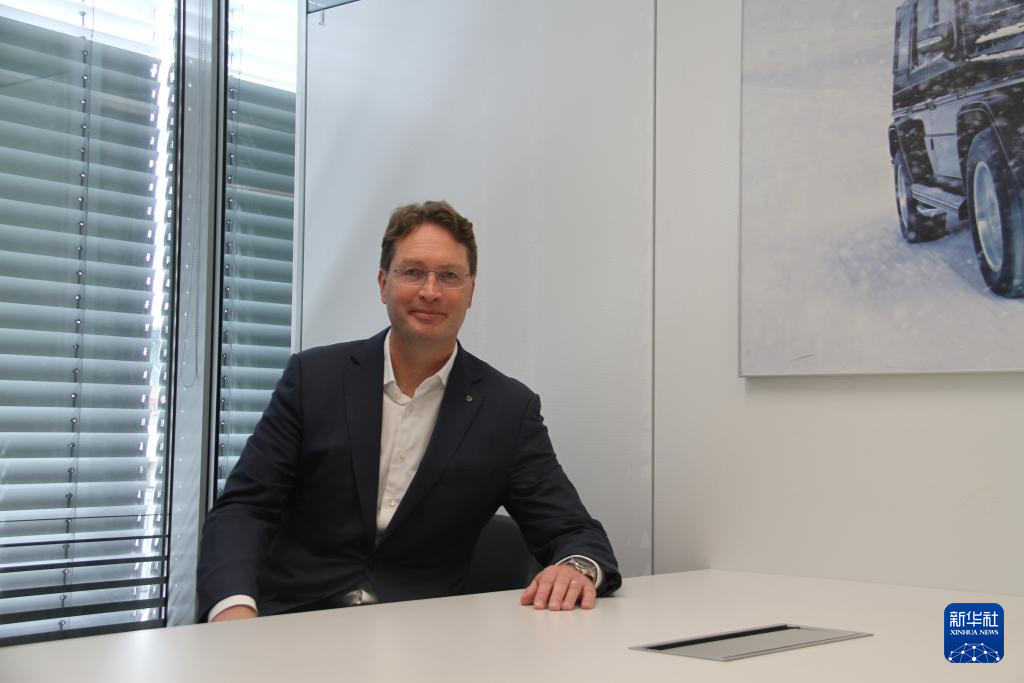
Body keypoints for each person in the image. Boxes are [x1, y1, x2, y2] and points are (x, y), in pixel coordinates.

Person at [197, 200, 621, 622]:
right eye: (413, 272)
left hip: (423, 634)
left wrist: (576, 568)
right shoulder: (314, 379)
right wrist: (233, 609)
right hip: (295, 622)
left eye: (449, 276)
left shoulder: (508, 409)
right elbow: (245, 508)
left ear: (470, 291)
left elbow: (574, 532)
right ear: (383, 283)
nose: (430, 291)